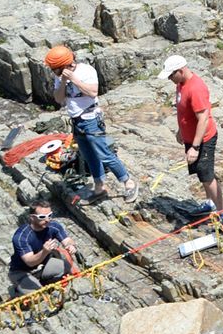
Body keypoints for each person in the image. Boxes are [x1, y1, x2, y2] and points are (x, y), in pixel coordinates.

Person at [44, 45, 134, 204]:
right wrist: (64, 81)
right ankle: (99, 187)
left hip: (91, 119)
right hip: (76, 121)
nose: (53, 72)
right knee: (88, 155)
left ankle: (128, 183)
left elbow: (93, 92)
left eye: (55, 69)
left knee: (104, 154)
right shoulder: (59, 78)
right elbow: (58, 99)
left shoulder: (86, 71)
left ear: (64, 65)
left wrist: (74, 80)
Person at [160, 54, 223, 216]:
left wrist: (195, 147)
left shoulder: (195, 88)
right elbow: (184, 111)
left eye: (170, 75)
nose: (169, 79)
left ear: (180, 71)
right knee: (202, 175)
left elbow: (203, 118)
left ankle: (222, 212)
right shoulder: (181, 84)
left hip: (203, 140)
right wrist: (181, 130)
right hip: (191, 138)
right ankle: (209, 203)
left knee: (207, 175)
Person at [9, 200, 78, 296]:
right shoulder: (21, 236)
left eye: (50, 215)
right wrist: (44, 251)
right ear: (32, 218)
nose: (47, 219)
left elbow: (67, 240)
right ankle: (17, 290)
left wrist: (70, 246)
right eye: (42, 217)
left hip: (43, 265)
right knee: (38, 296)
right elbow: (29, 261)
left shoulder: (53, 226)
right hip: (22, 271)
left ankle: (44, 282)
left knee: (66, 267)